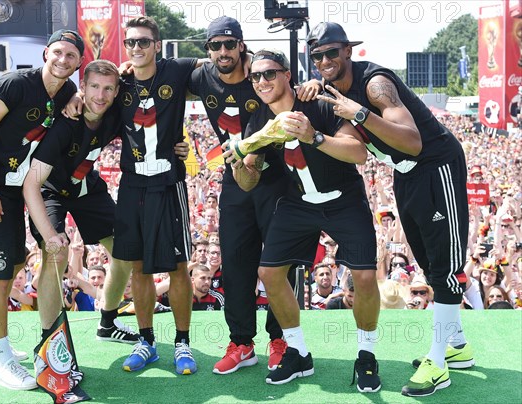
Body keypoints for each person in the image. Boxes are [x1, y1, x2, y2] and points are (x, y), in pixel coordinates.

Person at [309, 22, 472, 396]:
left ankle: (439, 362)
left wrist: (361, 113)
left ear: (349, 51)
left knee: (445, 266)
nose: (325, 60)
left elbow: (413, 142)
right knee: (429, 262)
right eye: (317, 55)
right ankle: (458, 346)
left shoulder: (374, 84)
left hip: (435, 166)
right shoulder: (333, 88)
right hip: (406, 174)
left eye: (332, 51)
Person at [224, 49, 380, 391]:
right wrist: (240, 165)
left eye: (269, 74)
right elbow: (249, 182)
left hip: (344, 199)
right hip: (298, 203)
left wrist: (314, 137)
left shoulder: (319, 103)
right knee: (269, 272)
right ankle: (297, 351)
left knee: (365, 276)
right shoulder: (258, 121)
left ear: (287, 75)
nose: (262, 81)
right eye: (256, 76)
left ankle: (366, 356)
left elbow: (359, 153)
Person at [0, 29, 84, 390]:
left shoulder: (67, 93)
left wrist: (75, 97)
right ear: (46, 53)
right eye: (57, 52)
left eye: (71, 56)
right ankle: (2, 359)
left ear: (78, 63)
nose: (63, 60)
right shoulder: (14, 83)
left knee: (14, 263)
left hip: (14, 188)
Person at [188, 16, 293, 375]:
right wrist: (127, 66)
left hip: (277, 179)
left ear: (241, 46)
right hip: (235, 179)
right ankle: (242, 342)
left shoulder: (260, 75)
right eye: (214, 45)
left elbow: (292, 85)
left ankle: (282, 341)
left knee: (279, 264)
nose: (222, 51)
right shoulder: (201, 76)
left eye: (228, 44)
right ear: (208, 50)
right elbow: (159, 75)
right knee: (235, 263)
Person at [23, 59, 141, 344]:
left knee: (126, 252)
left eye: (108, 89)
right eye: (94, 87)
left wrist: (128, 65)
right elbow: (33, 183)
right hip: (50, 190)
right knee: (56, 255)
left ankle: (108, 323)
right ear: (83, 87)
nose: (100, 96)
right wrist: (51, 235)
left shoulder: (114, 112)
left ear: (116, 92)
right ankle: (50, 340)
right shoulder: (66, 124)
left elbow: (151, 75)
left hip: (86, 187)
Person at [111, 16, 199, 375]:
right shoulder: (119, 82)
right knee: (137, 267)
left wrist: (250, 55)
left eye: (144, 42)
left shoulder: (175, 71)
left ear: (157, 45)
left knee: (178, 266)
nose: (136, 48)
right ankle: (146, 341)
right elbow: (89, 94)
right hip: (132, 185)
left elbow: (219, 67)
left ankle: (182, 343)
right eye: (131, 42)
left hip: (169, 182)